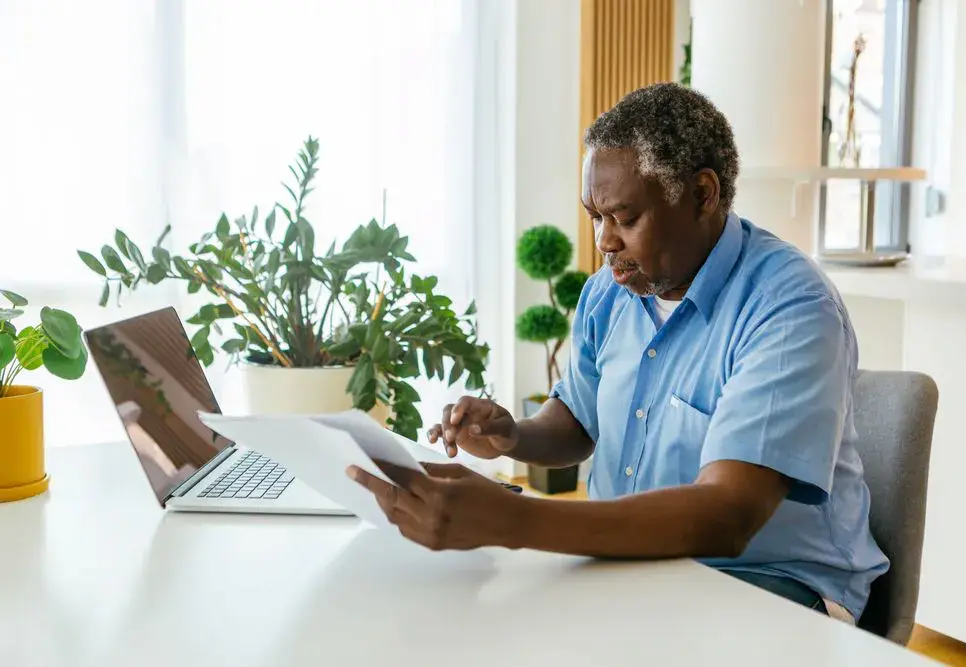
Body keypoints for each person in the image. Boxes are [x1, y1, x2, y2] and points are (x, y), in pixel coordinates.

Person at [348, 82, 889, 623]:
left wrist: (509, 520)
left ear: (703, 195)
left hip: (774, 584)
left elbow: (728, 516)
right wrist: (513, 434)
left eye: (625, 218)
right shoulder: (613, 290)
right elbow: (578, 423)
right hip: (636, 569)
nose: (604, 241)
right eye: (595, 216)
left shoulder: (789, 305)